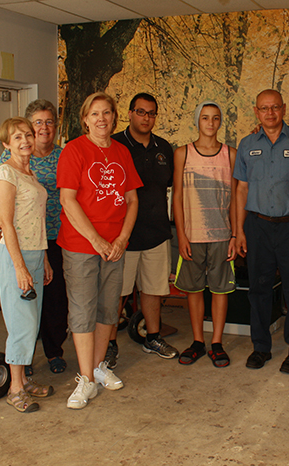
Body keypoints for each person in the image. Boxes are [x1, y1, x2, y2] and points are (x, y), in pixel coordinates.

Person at [57, 92, 142, 409]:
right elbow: (68, 200)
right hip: (82, 245)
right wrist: (97, 241)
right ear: (85, 119)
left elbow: (132, 200)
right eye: (94, 113)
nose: (101, 119)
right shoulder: (74, 150)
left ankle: (98, 366)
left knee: (108, 309)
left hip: (115, 246)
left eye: (106, 113)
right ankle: (85, 380)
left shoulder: (122, 152)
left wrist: (120, 240)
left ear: (114, 117)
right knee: (82, 310)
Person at [233, 89, 289, 374]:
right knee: (258, 289)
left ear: (283, 108)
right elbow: (241, 189)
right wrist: (238, 231)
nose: (270, 113)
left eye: (275, 107)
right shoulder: (246, 145)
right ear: (256, 112)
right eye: (263, 108)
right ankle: (261, 347)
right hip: (256, 227)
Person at [0, 99, 68, 376]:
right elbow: (1, 208)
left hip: (49, 242)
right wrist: (2, 233)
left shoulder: (49, 163)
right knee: (22, 314)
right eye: (37, 123)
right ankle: (19, 375)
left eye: (49, 122)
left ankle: (49, 355)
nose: (42, 128)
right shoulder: (8, 165)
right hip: (20, 246)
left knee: (48, 305)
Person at [108, 92, 178, 361]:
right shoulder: (115, 145)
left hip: (157, 232)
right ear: (129, 113)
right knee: (117, 293)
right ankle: (110, 342)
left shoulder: (163, 147)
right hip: (122, 236)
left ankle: (153, 338)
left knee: (153, 289)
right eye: (141, 112)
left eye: (151, 113)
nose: (146, 118)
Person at [0, 116, 54, 412]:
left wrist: (42, 259)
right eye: (17, 137)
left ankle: (25, 380)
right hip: (14, 256)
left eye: (28, 135)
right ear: (6, 143)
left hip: (34, 254)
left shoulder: (30, 174)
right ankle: (15, 388)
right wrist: (19, 266)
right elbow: (6, 222)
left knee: (32, 322)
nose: (25, 141)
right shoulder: (5, 173)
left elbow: (35, 221)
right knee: (20, 324)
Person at [172, 100, 237, 367]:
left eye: (215, 118)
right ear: (197, 121)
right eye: (205, 118)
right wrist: (182, 235)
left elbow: (235, 197)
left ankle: (217, 342)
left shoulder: (230, 154)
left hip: (222, 235)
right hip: (193, 234)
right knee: (194, 289)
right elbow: (177, 196)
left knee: (220, 290)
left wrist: (234, 235)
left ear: (221, 122)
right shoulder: (182, 153)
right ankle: (198, 340)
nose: (210, 123)